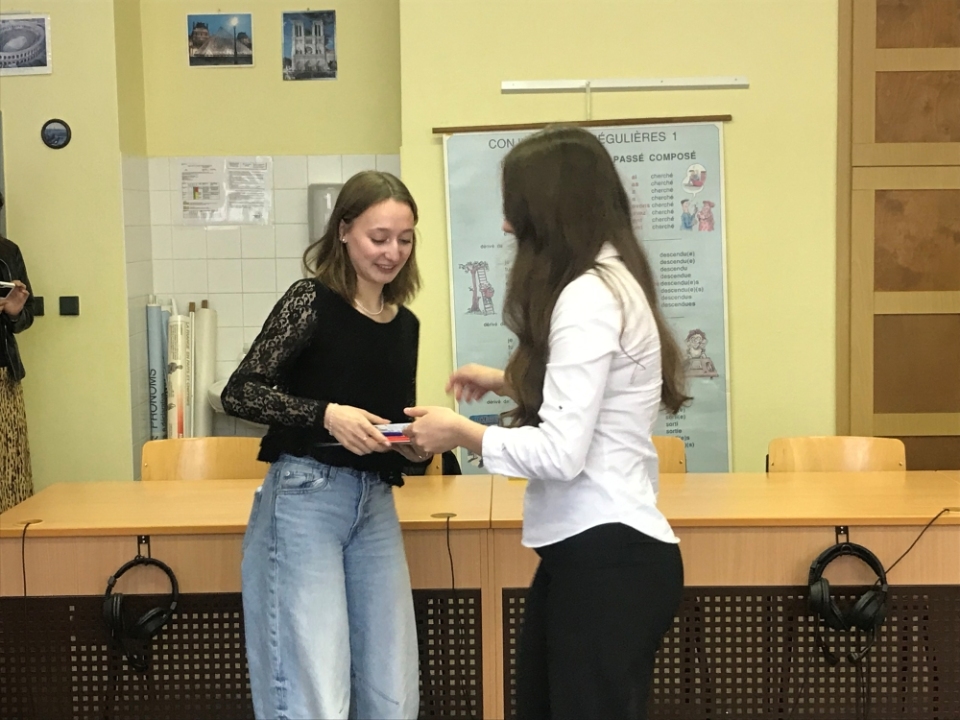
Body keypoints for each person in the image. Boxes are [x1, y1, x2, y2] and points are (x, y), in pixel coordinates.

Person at [403, 127, 688, 720]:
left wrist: (462, 433)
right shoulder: (612, 281)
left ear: (549, 211)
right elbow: (595, 397)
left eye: (516, 209)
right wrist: (504, 380)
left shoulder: (587, 296)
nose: (508, 226)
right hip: (598, 555)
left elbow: (560, 453)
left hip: (607, 557)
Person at [221, 171, 429, 720]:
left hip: (374, 502)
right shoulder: (310, 300)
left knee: (393, 689)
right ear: (343, 231)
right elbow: (241, 392)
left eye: (404, 239)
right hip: (305, 497)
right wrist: (326, 415)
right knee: (313, 688)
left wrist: (413, 447)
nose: (392, 252)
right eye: (378, 237)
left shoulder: (404, 324)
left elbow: (389, 421)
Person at [0, 189, 36, 514]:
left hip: (3, 374)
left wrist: (14, 312)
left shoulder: (8, 252)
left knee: (10, 470)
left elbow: (27, 315)